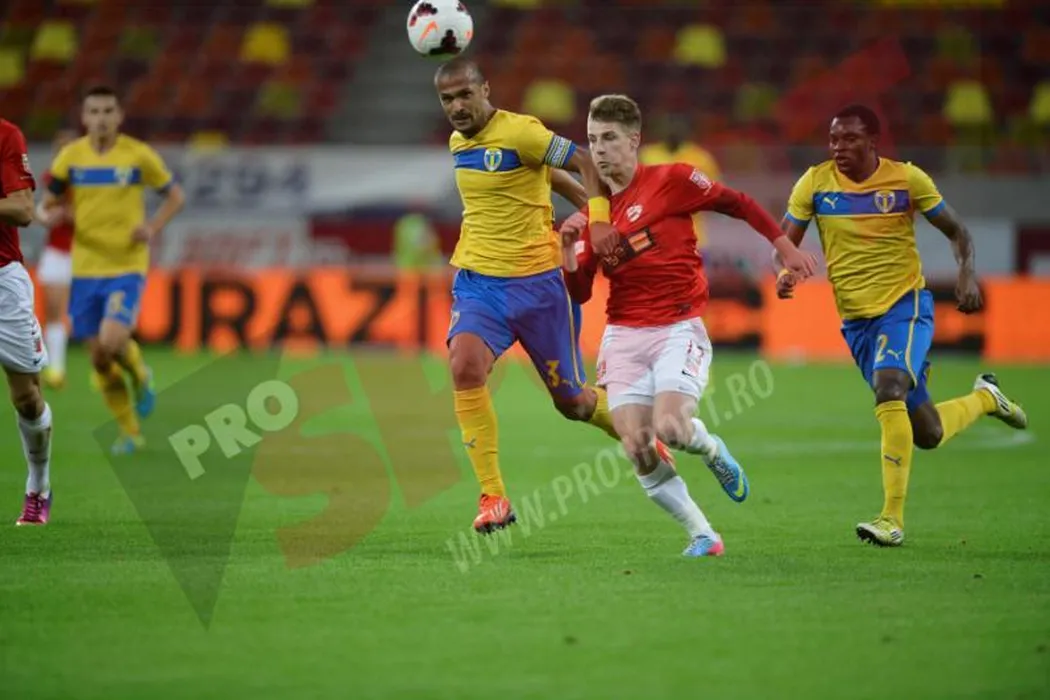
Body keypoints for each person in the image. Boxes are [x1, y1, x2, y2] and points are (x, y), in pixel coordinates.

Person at [559, 94, 816, 556]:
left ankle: (712, 449)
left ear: (634, 140)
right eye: (593, 140)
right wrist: (568, 250)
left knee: (672, 429)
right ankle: (704, 535)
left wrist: (785, 248)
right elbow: (579, 293)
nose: (598, 150)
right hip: (624, 333)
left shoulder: (672, 180)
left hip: (677, 327)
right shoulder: (591, 216)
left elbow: (738, 203)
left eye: (609, 138)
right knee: (637, 445)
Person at [435, 58, 676, 534]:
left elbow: (581, 162)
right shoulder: (458, 142)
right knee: (464, 366)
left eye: (465, 95)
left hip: (539, 288)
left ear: (485, 90)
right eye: (447, 99)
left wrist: (603, 219)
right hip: (479, 285)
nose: (457, 107)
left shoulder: (522, 132)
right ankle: (493, 497)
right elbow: (546, 177)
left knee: (574, 403)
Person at [775, 104, 1028, 547]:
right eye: (833, 139)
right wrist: (786, 270)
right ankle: (986, 399)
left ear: (873, 141)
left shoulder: (907, 179)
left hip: (904, 306)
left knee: (888, 387)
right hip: (856, 322)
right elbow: (784, 242)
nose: (838, 148)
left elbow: (958, 231)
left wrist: (967, 274)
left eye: (849, 139)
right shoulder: (814, 184)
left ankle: (891, 519)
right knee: (927, 432)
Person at [39, 85, 185, 455]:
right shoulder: (70, 157)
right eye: (94, 112)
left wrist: (152, 227)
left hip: (126, 264)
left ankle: (140, 373)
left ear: (119, 116)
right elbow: (47, 202)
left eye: (108, 111)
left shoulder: (138, 155)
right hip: (85, 267)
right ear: (84, 117)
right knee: (100, 360)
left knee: (112, 339)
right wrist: (47, 215)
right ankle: (130, 432)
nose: (101, 119)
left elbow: (175, 195)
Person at [0, 116, 54, 525]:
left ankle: (39, 484)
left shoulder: (6, 135)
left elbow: (23, 210)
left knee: (26, 398)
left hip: (3, 281)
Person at [34, 129, 78, 390]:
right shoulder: (52, 178)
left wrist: (72, 215)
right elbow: (42, 209)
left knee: (86, 312)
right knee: (53, 308)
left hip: (86, 253)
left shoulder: (88, 181)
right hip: (57, 250)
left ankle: (106, 368)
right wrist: (47, 216)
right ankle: (57, 369)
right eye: (60, 149)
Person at [639, 114, 721, 252]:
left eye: (677, 127)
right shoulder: (647, 155)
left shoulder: (700, 158)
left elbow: (714, 192)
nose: (673, 130)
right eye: (669, 126)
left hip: (693, 236)